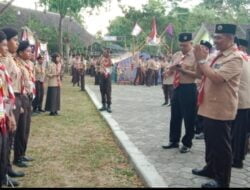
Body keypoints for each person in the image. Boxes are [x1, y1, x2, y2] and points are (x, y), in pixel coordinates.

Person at [192, 24, 243, 188]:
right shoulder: (218, 56)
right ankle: (210, 169)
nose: (215, 40)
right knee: (211, 142)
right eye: (214, 37)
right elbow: (201, 74)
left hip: (221, 108)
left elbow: (217, 78)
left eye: (219, 37)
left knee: (222, 147)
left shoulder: (235, 58)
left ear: (230, 38)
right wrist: (199, 59)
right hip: (209, 106)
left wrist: (202, 60)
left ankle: (222, 180)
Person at [162, 33, 199, 153]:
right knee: (175, 116)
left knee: (189, 117)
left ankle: (187, 143)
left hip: (189, 88)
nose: (182, 48)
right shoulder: (177, 55)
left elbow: (199, 75)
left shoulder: (196, 56)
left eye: (185, 45)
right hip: (177, 87)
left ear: (191, 43)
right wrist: (169, 72)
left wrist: (183, 70)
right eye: (181, 45)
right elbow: (171, 69)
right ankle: (174, 141)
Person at [1, 28, 25, 187]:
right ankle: (4, 171)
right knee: (6, 140)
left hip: (10, 100)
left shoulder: (9, 58)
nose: (16, 43)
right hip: (5, 104)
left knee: (8, 139)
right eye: (14, 40)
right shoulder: (5, 61)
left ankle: (5, 169)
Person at [0, 31, 18, 187]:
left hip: (3, 110)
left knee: (4, 144)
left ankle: (3, 175)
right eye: (4, 44)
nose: (6, 48)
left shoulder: (2, 65)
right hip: (1, 111)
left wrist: (9, 113)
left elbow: (5, 92)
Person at [14, 41, 35, 168]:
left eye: (30, 51)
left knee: (26, 127)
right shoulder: (17, 63)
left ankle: (23, 153)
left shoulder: (30, 64)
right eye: (27, 51)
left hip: (28, 96)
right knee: (20, 129)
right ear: (20, 53)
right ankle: (18, 157)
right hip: (20, 96)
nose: (30, 53)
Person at [231, 38, 250, 169]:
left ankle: (236, 159)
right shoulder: (247, 59)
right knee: (241, 133)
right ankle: (239, 157)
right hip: (246, 100)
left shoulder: (238, 58)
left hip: (239, 101)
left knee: (237, 133)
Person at [194, 40, 213, 140]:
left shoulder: (211, 60)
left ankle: (202, 130)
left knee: (204, 111)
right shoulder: (198, 60)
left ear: (207, 50)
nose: (200, 50)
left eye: (203, 48)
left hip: (207, 89)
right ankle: (198, 129)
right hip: (198, 88)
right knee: (197, 110)